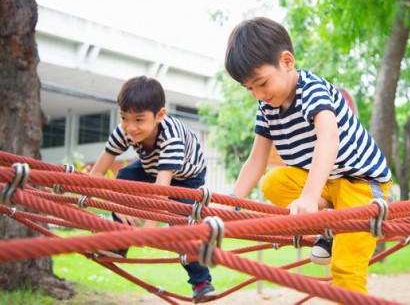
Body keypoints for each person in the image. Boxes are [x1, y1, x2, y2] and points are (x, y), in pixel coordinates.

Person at [224, 17, 392, 294]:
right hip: (327, 184)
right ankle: (330, 224)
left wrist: (310, 198)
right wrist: (231, 202)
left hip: (361, 183)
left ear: (287, 62)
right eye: (249, 89)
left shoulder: (311, 89)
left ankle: (334, 226)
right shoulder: (266, 108)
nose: (258, 94)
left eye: (262, 83)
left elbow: (328, 138)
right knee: (273, 182)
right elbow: (256, 160)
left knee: (346, 267)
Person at [90, 76, 215, 303]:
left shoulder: (171, 139)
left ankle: (201, 282)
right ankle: (118, 245)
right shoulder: (125, 131)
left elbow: (160, 192)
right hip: (153, 168)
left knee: (180, 225)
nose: (131, 127)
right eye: (124, 118)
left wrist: (149, 230)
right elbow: (96, 174)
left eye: (139, 119)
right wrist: (117, 206)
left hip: (186, 177)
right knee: (125, 177)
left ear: (160, 115)